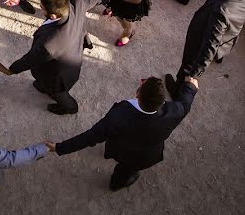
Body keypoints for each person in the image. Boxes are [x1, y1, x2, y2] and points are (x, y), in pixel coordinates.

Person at [48, 75, 198, 191]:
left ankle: (118, 183)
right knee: (128, 171)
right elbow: (185, 103)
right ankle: (118, 184)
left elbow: (89, 137)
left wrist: (59, 147)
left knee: (124, 167)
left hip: (122, 152)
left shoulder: (119, 116)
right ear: (162, 101)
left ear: (138, 94)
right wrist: (190, 87)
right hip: (146, 156)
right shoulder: (174, 112)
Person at [9, 0, 106, 115]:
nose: (40, 7)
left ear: (53, 15)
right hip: (71, 58)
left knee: (57, 92)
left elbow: (31, 59)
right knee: (44, 84)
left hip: (58, 77)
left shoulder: (49, 44)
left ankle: (70, 107)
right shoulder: (77, 3)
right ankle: (43, 86)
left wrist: (13, 69)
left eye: (41, 7)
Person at [167, 0, 245, 98]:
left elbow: (210, 45)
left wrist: (193, 74)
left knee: (187, 66)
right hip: (229, 38)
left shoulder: (221, 11)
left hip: (199, 41)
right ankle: (219, 57)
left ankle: (177, 90)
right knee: (219, 50)